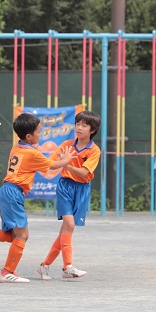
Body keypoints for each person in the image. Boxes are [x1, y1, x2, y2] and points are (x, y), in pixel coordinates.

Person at [0, 113, 72, 283]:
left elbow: (37, 158)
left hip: (7, 192)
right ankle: (7, 272)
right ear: (29, 136)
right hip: (13, 193)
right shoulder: (32, 154)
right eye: (38, 132)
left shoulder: (17, 147)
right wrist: (66, 160)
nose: (40, 134)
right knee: (23, 235)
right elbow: (52, 166)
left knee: (14, 236)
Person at [37, 110, 101, 280]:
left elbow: (83, 172)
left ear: (92, 130)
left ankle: (44, 266)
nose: (79, 128)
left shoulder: (94, 150)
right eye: (77, 124)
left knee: (64, 232)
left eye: (84, 125)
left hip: (82, 189)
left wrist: (66, 164)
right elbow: (51, 163)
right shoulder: (66, 145)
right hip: (65, 187)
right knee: (70, 225)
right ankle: (67, 267)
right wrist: (44, 156)